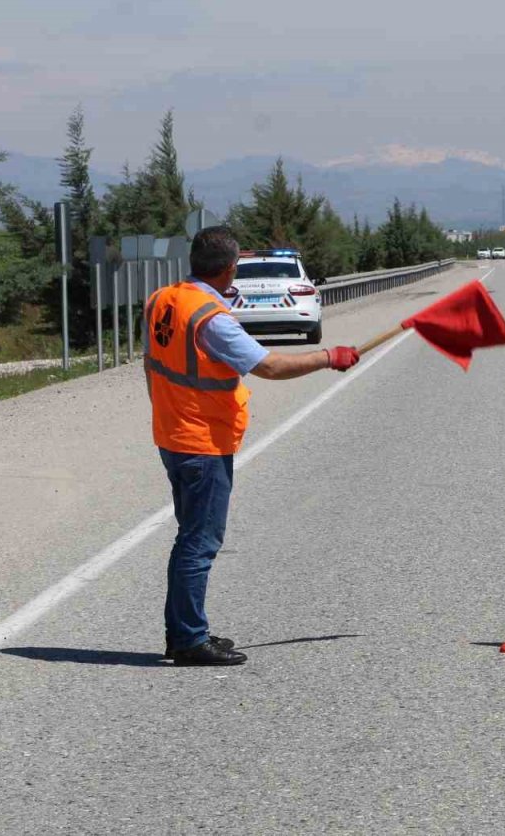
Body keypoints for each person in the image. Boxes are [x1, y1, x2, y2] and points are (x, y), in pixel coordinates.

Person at [144, 227, 359, 666]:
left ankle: (185, 631)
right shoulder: (211, 317)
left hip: (173, 433)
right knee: (198, 542)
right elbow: (270, 366)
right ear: (229, 268)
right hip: (202, 440)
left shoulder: (163, 299)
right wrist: (328, 357)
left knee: (190, 539)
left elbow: (152, 363)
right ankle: (188, 639)